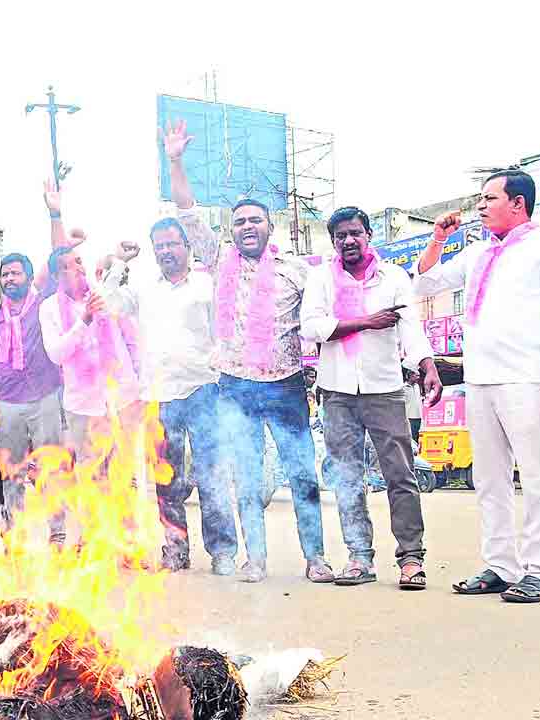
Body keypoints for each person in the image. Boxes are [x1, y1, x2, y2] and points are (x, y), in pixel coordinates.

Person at [164, 120, 332, 583]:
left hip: (285, 386)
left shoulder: (297, 269)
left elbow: (319, 320)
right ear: (231, 231)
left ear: (268, 225)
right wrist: (176, 160)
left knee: (302, 475)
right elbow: (187, 213)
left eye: (254, 219)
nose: (246, 227)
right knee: (248, 480)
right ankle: (254, 559)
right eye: (238, 222)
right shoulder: (218, 262)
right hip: (235, 388)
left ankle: (315, 559)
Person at [416, 169, 540, 604]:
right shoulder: (476, 254)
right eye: (480, 198)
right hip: (481, 379)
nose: (481, 205)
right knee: (489, 478)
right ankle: (501, 565)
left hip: (529, 377)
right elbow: (426, 282)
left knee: (538, 474)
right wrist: (437, 239)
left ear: (518, 203)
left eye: (489, 198)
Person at [301, 206, 443, 590]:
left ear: (368, 236)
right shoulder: (320, 279)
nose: (348, 241)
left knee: (401, 474)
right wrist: (366, 321)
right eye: (340, 236)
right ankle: (359, 557)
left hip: (385, 389)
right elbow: (312, 326)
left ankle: (411, 558)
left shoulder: (393, 277)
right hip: (337, 392)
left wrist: (427, 365)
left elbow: (410, 330)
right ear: (333, 242)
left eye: (355, 233)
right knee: (347, 478)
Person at [107, 215, 239, 574]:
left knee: (211, 475)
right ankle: (175, 549)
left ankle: (223, 551)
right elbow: (108, 305)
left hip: (203, 391)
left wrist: (219, 362)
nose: (165, 251)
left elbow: (226, 329)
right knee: (166, 478)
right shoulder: (144, 289)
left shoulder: (205, 284)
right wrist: (119, 262)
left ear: (186, 246)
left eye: (171, 244)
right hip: (158, 396)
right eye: (159, 246)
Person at [40, 243, 144, 552]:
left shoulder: (100, 294)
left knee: (125, 472)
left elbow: (130, 332)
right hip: (83, 406)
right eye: (73, 265)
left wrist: (122, 260)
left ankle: (127, 541)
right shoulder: (48, 309)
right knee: (90, 474)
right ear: (59, 275)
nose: (81, 268)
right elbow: (57, 354)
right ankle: (93, 539)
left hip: (121, 397)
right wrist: (83, 320)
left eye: (81, 262)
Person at [0, 251, 65, 546]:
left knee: (50, 469)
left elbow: (56, 263)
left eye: (15, 273)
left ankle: (58, 533)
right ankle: (17, 537)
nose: (9, 279)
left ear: (28, 277)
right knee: (11, 472)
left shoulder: (44, 308)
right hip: (7, 404)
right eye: (5, 274)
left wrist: (55, 214)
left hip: (45, 398)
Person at [404, 369, 424, 446]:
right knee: (411, 439)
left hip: (419, 417)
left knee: (419, 438)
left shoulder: (417, 386)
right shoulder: (403, 388)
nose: (418, 377)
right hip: (409, 417)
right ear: (411, 376)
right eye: (416, 375)